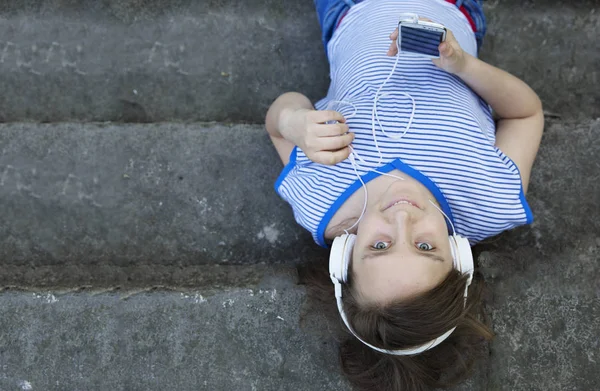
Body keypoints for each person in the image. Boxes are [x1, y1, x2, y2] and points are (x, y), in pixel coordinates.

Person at [265, 0, 544, 389]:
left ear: (344, 257)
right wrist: (462, 64)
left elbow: (277, 123)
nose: (402, 217)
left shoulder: (321, 202)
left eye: (379, 245)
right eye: (426, 247)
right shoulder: (489, 198)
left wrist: (293, 122)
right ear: (459, 259)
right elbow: (526, 114)